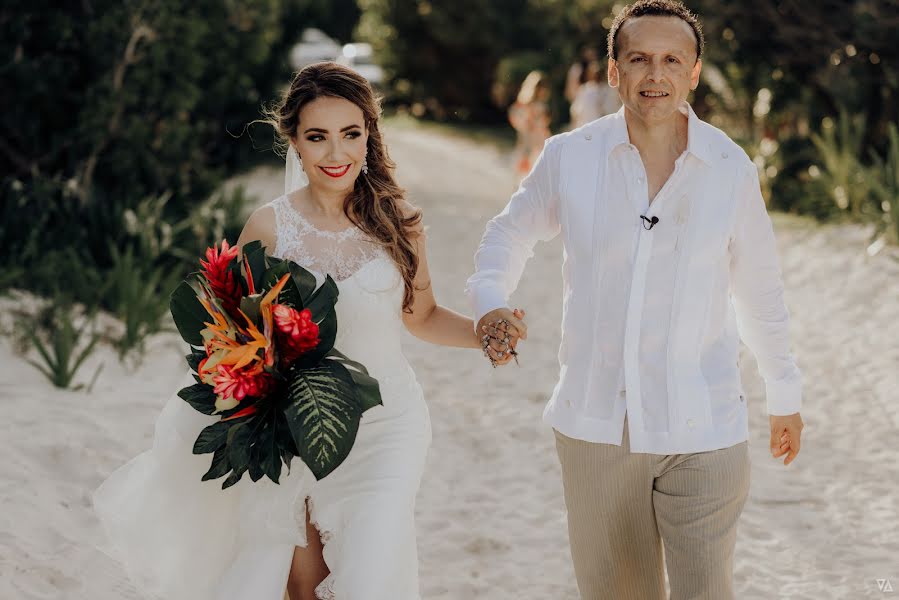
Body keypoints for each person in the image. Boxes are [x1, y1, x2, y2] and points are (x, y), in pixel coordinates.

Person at [93, 62, 513, 600]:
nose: (337, 155)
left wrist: (484, 332)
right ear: (293, 139)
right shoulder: (269, 228)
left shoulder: (399, 222)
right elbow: (226, 338)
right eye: (318, 137)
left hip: (389, 426)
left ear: (369, 135)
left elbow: (423, 316)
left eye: (351, 135)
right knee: (305, 586)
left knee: (369, 576)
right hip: (294, 433)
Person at [467, 1, 805, 599]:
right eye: (639, 59)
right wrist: (492, 299)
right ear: (614, 71)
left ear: (694, 72)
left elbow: (760, 289)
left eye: (672, 60)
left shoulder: (729, 166)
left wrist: (784, 394)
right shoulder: (569, 157)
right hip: (596, 424)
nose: (656, 74)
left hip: (706, 421)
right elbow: (508, 233)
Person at [508, 70, 552, 177]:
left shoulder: (543, 104)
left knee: (538, 164)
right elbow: (515, 115)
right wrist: (523, 125)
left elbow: (545, 121)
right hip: (530, 137)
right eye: (541, 88)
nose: (544, 91)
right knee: (525, 165)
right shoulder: (527, 104)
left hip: (540, 137)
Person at [569, 59, 622, 129]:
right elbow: (575, 112)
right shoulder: (585, 90)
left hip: (600, 128)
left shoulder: (608, 90)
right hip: (587, 128)